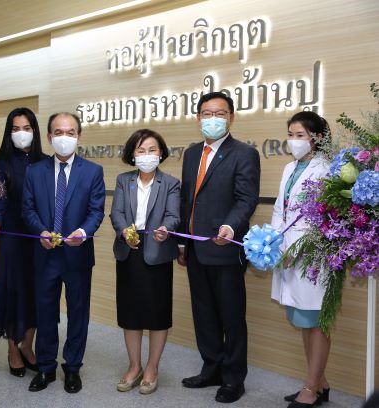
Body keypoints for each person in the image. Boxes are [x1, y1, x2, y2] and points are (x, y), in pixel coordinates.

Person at [177, 91, 260, 403]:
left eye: (220, 113)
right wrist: (182, 241)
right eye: (207, 113)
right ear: (198, 118)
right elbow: (188, 201)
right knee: (204, 313)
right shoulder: (191, 154)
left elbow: (246, 199)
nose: (213, 119)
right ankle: (211, 367)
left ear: (231, 118)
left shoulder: (244, 153)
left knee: (231, 316)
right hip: (196, 248)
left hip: (225, 247)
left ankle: (233, 378)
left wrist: (231, 225)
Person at [22, 112, 105, 393]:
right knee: (45, 312)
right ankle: (46, 367)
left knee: (78, 313)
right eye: (58, 132)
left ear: (78, 136)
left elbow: (96, 211)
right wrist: (40, 231)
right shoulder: (35, 171)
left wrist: (82, 232)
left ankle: (72, 368)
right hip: (45, 254)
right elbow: (28, 209)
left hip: (77, 255)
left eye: (70, 132)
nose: (64, 138)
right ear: (49, 137)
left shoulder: (92, 171)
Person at [109, 129, 180, 395]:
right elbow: (116, 213)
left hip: (157, 252)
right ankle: (134, 366)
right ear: (132, 154)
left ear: (160, 153)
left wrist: (166, 229)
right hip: (129, 250)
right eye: (141, 150)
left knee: (157, 314)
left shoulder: (170, 183)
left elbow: (174, 215)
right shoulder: (123, 180)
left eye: (152, 150)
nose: (146, 155)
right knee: (131, 313)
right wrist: (124, 232)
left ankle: (152, 367)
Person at [271, 111, 332, 408]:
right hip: (287, 253)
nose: (293, 141)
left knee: (316, 322)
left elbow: (320, 219)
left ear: (317, 138)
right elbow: (280, 210)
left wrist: (294, 249)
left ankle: (311, 388)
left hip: (311, 258)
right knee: (303, 321)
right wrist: (275, 243)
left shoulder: (326, 170)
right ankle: (320, 383)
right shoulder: (289, 168)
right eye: (290, 135)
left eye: (300, 135)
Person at [0, 107, 47, 377]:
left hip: (40, 238)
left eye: (26, 128)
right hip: (13, 237)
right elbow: (0, 200)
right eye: (16, 129)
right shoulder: (3, 164)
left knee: (36, 293)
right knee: (13, 292)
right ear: (9, 133)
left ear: (35, 131)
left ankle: (27, 346)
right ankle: (13, 349)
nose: (21, 133)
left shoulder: (46, 162)